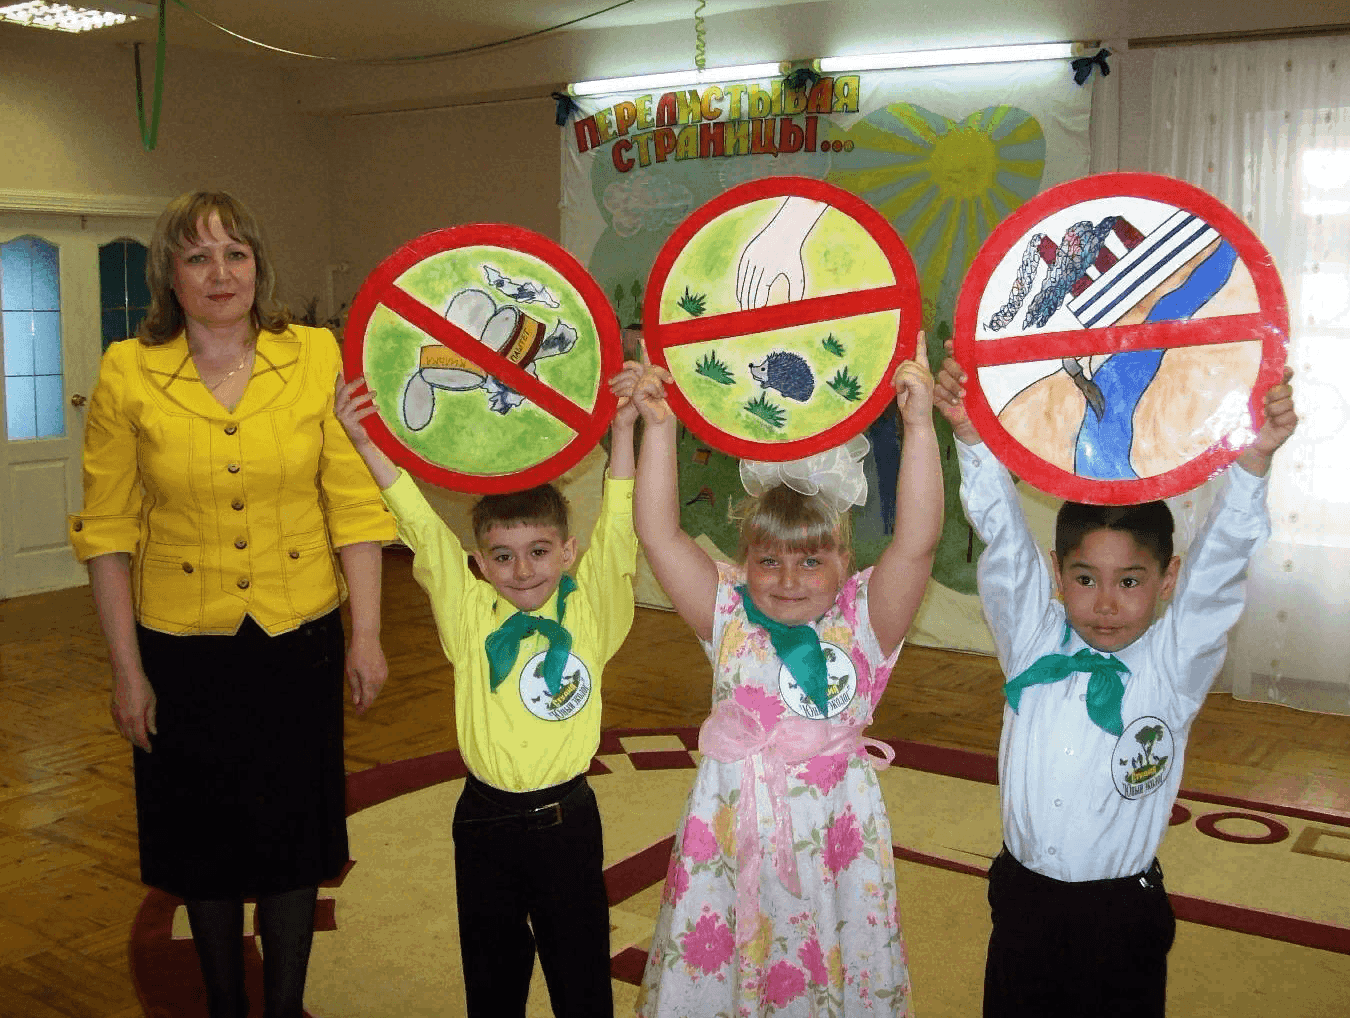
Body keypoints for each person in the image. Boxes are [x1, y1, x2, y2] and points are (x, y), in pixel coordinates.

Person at [68, 191, 395, 1018]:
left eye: (236, 253)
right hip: (183, 649)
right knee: (201, 851)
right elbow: (107, 534)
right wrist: (126, 672)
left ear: (259, 266)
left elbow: (354, 507)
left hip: (298, 637)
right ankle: (224, 1005)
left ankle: (283, 1007)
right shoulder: (126, 372)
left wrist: (368, 636)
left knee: (291, 848)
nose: (221, 272)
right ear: (169, 277)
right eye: (198, 256)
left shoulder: (318, 355)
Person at [933, 340, 1298, 1017]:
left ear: (1168, 581)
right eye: (1084, 579)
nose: (1105, 603)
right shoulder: (1033, 640)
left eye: (1130, 581)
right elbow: (1003, 541)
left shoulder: (1175, 663)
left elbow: (1223, 561)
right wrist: (971, 437)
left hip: (1120, 915)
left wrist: (1253, 460)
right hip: (1023, 900)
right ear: (1057, 574)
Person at [333, 360, 666, 1018]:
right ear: (479, 562)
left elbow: (621, 526)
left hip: (568, 821)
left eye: (540, 551)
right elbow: (422, 529)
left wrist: (623, 431)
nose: (522, 571)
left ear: (568, 552)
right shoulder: (468, 613)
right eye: (503, 556)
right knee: (491, 979)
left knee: (580, 977)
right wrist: (367, 442)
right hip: (482, 821)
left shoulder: (590, 610)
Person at [634, 335, 942, 1017]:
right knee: (734, 958)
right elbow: (659, 535)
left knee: (829, 958)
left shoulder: (865, 618)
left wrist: (918, 426)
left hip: (835, 834)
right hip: (732, 824)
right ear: (745, 562)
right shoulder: (726, 607)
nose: (788, 580)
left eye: (810, 561)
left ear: (845, 558)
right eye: (769, 561)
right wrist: (659, 430)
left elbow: (917, 539)